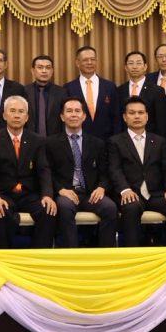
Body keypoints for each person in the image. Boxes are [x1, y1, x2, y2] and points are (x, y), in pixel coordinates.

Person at [107, 96, 166, 247]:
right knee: (131, 207)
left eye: (140, 112)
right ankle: (134, 255)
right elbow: (114, 169)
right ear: (124, 117)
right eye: (132, 113)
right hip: (130, 193)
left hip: (156, 194)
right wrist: (125, 190)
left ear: (147, 116)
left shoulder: (159, 141)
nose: (137, 116)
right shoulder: (115, 141)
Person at [0, 95, 57, 249]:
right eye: (12, 111)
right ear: (4, 115)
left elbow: (44, 170)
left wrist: (47, 195)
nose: (17, 115)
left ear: (27, 117)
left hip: (29, 194)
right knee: (0, 211)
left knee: (48, 210)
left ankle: (39, 257)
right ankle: (5, 257)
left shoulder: (37, 140)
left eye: (21, 111)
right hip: (4, 194)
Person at [47, 97, 117, 247]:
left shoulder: (97, 143)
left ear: (84, 116)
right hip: (66, 193)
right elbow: (47, 173)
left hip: (90, 193)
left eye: (77, 111)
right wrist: (60, 190)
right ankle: (72, 255)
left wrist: (101, 187)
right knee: (65, 207)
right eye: (69, 111)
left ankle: (106, 254)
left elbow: (105, 172)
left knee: (110, 208)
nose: (73, 114)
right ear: (62, 116)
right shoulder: (50, 143)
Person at [63, 46, 120, 140]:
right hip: (79, 140)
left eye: (92, 59)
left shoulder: (110, 86)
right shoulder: (68, 88)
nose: (89, 62)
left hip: (107, 140)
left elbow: (116, 117)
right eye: (85, 60)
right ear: (77, 63)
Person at [116, 50, 166, 137]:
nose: (134, 67)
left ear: (145, 66)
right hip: (125, 139)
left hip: (150, 138)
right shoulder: (119, 90)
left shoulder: (157, 91)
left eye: (138, 63)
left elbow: (161, 121)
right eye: (131, 63)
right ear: (126, 67)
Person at [24, 54, 66, 137]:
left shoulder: (61, 92)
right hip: (29, 139)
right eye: (40, 67)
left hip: (55, 140)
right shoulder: (24, 91)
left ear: (52, 71)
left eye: (48, 68)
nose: (44, 71)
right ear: (33, 71)